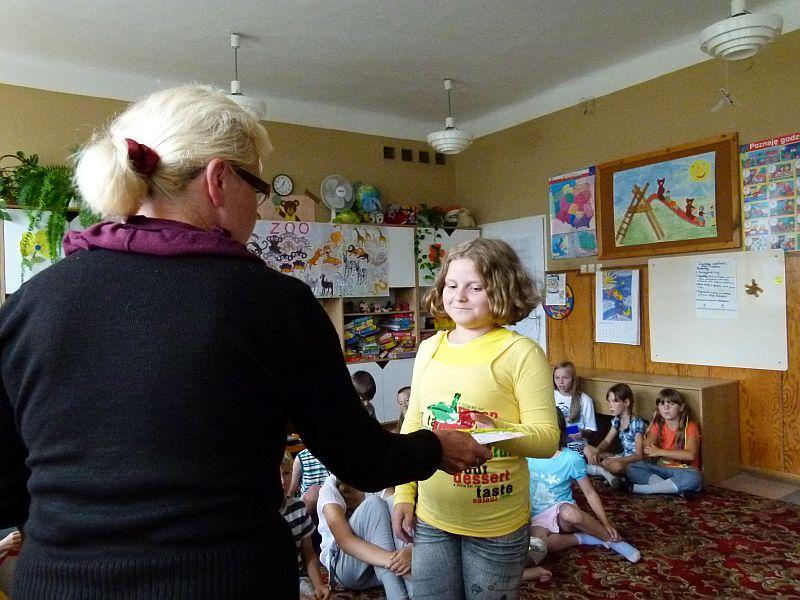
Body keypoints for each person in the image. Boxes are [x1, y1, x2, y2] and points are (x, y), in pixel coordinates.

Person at [0, 85, 491, 599]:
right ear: (218, 180)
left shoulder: (33, 302)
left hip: (58, 583)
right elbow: (362, 459)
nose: (257, 211)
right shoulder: (273, 303)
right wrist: (435, 446)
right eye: (256, 189)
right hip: (223, 579)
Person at [392, 238, 560, 600]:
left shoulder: (521, 352)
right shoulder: (428, 348)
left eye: (475, 287)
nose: (459, 296)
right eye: (452, 285)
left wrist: (498, 431)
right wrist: (404, 493)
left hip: (497, 525)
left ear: (501, 289)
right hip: (432, 517)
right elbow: (413, 423)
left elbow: (547, 439)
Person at [523, 412, 640, 583]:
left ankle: (611, 540)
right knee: (540, 545)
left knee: (570, 513)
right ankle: (581, 538)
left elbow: (590, 493)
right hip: (536, 516)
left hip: (561, 511)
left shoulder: (570, 458)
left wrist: (605, 523)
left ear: (558, 431)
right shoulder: (527, 457)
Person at [318, 474, 411, 599]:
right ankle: (398, 596)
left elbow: (398, 515)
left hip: (377, 569)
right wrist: (396, 562)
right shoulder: (329, 488)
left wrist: (409, 552)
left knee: (394, 504)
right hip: (347, 568)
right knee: (374, 504)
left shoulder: (376, 478)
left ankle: (417, 593)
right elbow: (345, 541)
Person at [624, 388, 703, 497]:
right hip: (661, 469)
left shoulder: (690, 426)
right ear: (658, 408)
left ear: (681, 407)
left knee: (694, 477)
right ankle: (674, 490)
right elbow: (647, 449)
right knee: (631, 468)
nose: (666, 408)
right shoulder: (658, 425)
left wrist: (659, 452)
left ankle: (646, 489)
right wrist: (652, 450)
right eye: (662, 404)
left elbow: (690, 455)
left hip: (682, 470)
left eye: (671, 404)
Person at [279, 452, 330, 600]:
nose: (282, 481)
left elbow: (309, 554)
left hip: (299, 578)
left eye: (286, 473)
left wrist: (319, 584)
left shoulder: (299, 508)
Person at [584, 383, 646, 488]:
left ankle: (602, 472)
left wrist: (616, 460)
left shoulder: (636, 423)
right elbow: (606, 441)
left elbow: (639, 455)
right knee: (587, 449)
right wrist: (596, 451)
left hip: (634, 461)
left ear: (627, 402)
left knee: (616, 466)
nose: (610, 405)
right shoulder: (617, 420)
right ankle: (609, 475)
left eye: (614, 401)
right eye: (609, 401)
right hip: (622, 456)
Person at [552, 361, 597, 457]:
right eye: (557, 377)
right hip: (555, 442)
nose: (561, 382)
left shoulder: (585, 400)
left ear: (573, 379)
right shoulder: (549, 396)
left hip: (576, 443)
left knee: (571, 458)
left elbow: (591, 430)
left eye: (565, 378)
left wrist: (581, 432)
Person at [291, 448, 331, 521]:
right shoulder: (301, 457)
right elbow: (291, 491)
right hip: (309, 506)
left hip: (330, 502)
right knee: (315, 490)